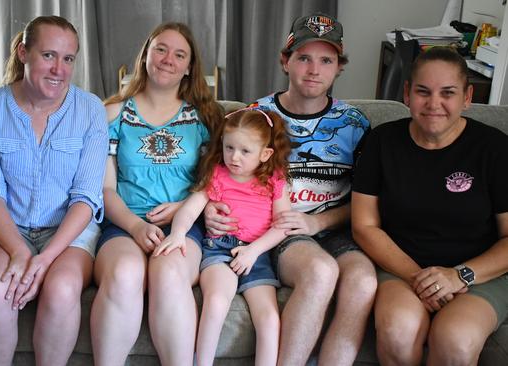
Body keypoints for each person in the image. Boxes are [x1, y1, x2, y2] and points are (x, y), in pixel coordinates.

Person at [205, 12, 377, 365]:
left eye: (326, 60)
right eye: (304, 58)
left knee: (362, 281)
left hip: (334, 228)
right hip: (278, 231)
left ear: (339, 67)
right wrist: (209, 208)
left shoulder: (354, 124)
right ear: (286, 61)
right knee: (320, 271)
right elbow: (220, 177)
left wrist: (320, 223)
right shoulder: (258, 115)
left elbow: (368, 202)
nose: (314, 70)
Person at [352, 47, 508, 366]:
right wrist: (419, 276)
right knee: (398, 332)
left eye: (447, 93)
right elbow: (364, 226)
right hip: (402, 268)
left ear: (467, 97)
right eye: (423, 91)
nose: (434, 104)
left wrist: (459, 275)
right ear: (407, 93)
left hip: (479, 273)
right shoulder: (381, 143)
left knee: (456, 342)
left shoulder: (495, 149)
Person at [0, 16, 107, 365]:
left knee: (61, 290)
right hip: (8, 228)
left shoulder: (90, 109)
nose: (59, 69)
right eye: (48, 55)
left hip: (69, 232)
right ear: (23, 53)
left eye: (68, 59)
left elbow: (87, 196)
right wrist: (18, 250)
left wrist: (45, 259)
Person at [91, 22, 222, 366]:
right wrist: (135, 226)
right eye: (161, 49)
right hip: (123, 222)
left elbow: (215, 182)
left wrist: (182, 207)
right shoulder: (114, 113)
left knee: (167, 273)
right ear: (146, 54)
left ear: (190, 67)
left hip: (186, 224)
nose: (168, 60)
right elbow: (104, 188)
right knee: (124, 274)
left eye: (180, 54)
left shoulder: (205, 117)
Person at [155, 108, 292, 366]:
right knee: (217, 301)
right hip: (220, 248)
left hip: (258, 253)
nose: (234, 157)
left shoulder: (275, 180)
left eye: (245, 151)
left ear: (265, 154)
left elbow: (283, 225)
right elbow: (191, 207)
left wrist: (254, 251)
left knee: (270, 318)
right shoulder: (218, 174)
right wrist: (178, 234)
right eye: (229, 148)